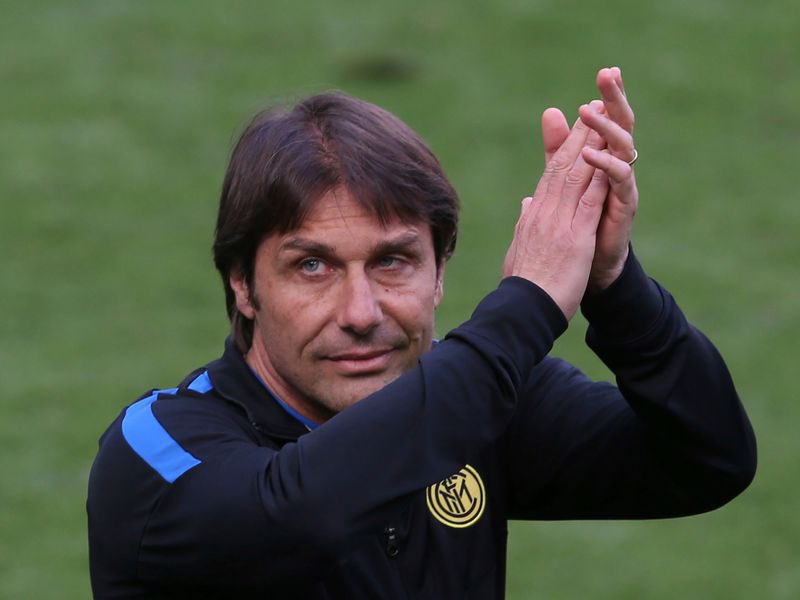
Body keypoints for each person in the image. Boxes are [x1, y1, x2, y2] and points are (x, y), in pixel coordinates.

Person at [87, 67, 756, 599]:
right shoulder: (154, 452)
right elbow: (298, 518)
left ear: (440, 273)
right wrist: (528, 304)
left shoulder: (482, 400)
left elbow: (709, 459)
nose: (360, 312)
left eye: (393, 261)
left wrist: (613, 284)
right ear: (242, 284)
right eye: (312, 266)